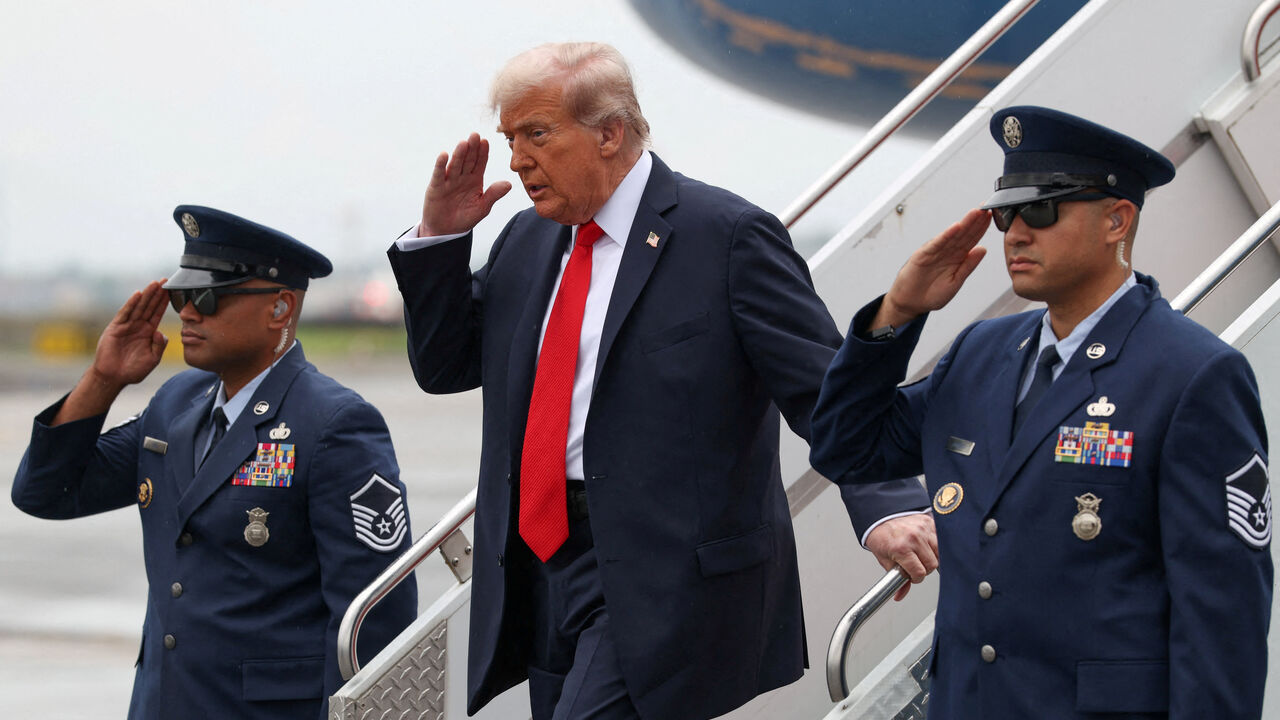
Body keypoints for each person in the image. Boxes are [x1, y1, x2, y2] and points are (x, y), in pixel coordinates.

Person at [387, 41, 938, 720]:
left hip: (666, 575)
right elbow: (445, 367)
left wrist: (886, 504)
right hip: (543, 566)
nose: (517, 160)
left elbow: (826, 389)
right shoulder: (525, 242)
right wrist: (439, 238)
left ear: (609, 133)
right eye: (510, 138)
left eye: (537, 134)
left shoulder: (726, 237)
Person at [809, 105, 1273, 719]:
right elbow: (847, 448)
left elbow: (1222, 618)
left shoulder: (1192, 376)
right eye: (1007, 212)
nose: (1016, 233)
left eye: (1042, 209)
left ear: (1117, 219)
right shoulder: (981, 353)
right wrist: (897, 312)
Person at [12, 206, 418, 720]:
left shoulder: (333, 423)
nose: (187, 313)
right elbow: (46, 493)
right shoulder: (176, 404)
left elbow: (373, 619)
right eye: (182, 296)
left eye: (208, 296)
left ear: (279, 308)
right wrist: (103, 379)